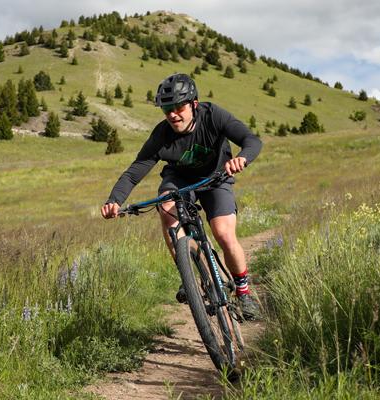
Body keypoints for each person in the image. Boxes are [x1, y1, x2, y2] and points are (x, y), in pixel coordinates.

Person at [101, 73, 262, 320]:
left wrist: (242, 157)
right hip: (179, 180)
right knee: (166, 207)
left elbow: (251, 140)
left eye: (178, 107)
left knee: (223, 233)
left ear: (194, 104)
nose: (173, 114)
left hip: (216, 177)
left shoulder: (213, 115)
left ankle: (243, 293)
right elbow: (134, 173)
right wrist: (114, 201)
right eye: (167, 109)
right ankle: (189, 276)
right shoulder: (161, 136)